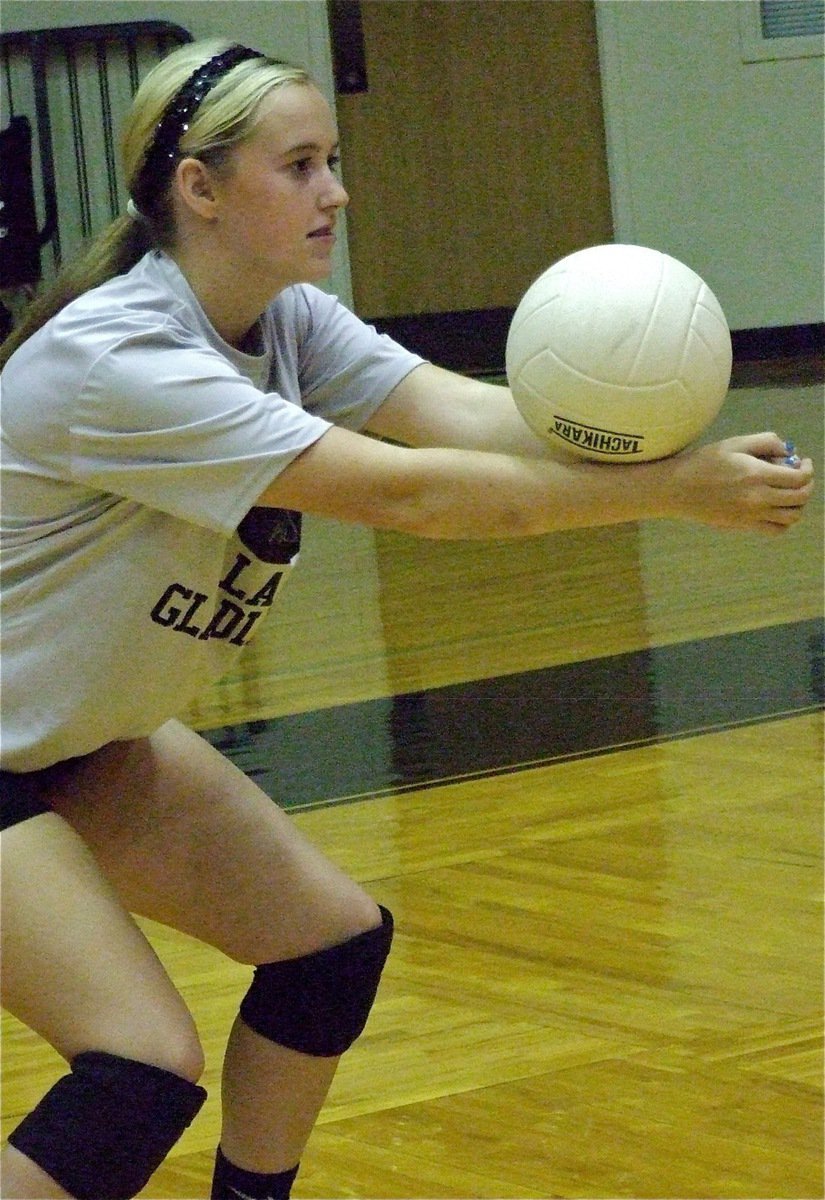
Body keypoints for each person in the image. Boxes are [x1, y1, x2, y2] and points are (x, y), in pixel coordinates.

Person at [0, 37, 813, 1200]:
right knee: (138, 1066)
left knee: (328, 946)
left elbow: (467, 421)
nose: (336, 191)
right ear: (201, 189)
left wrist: (665, 438)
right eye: (301, 166)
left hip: (78, 738)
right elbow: (415, 494)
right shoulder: (120, 355)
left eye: (333, 160)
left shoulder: (287, 320)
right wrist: (673, 495)